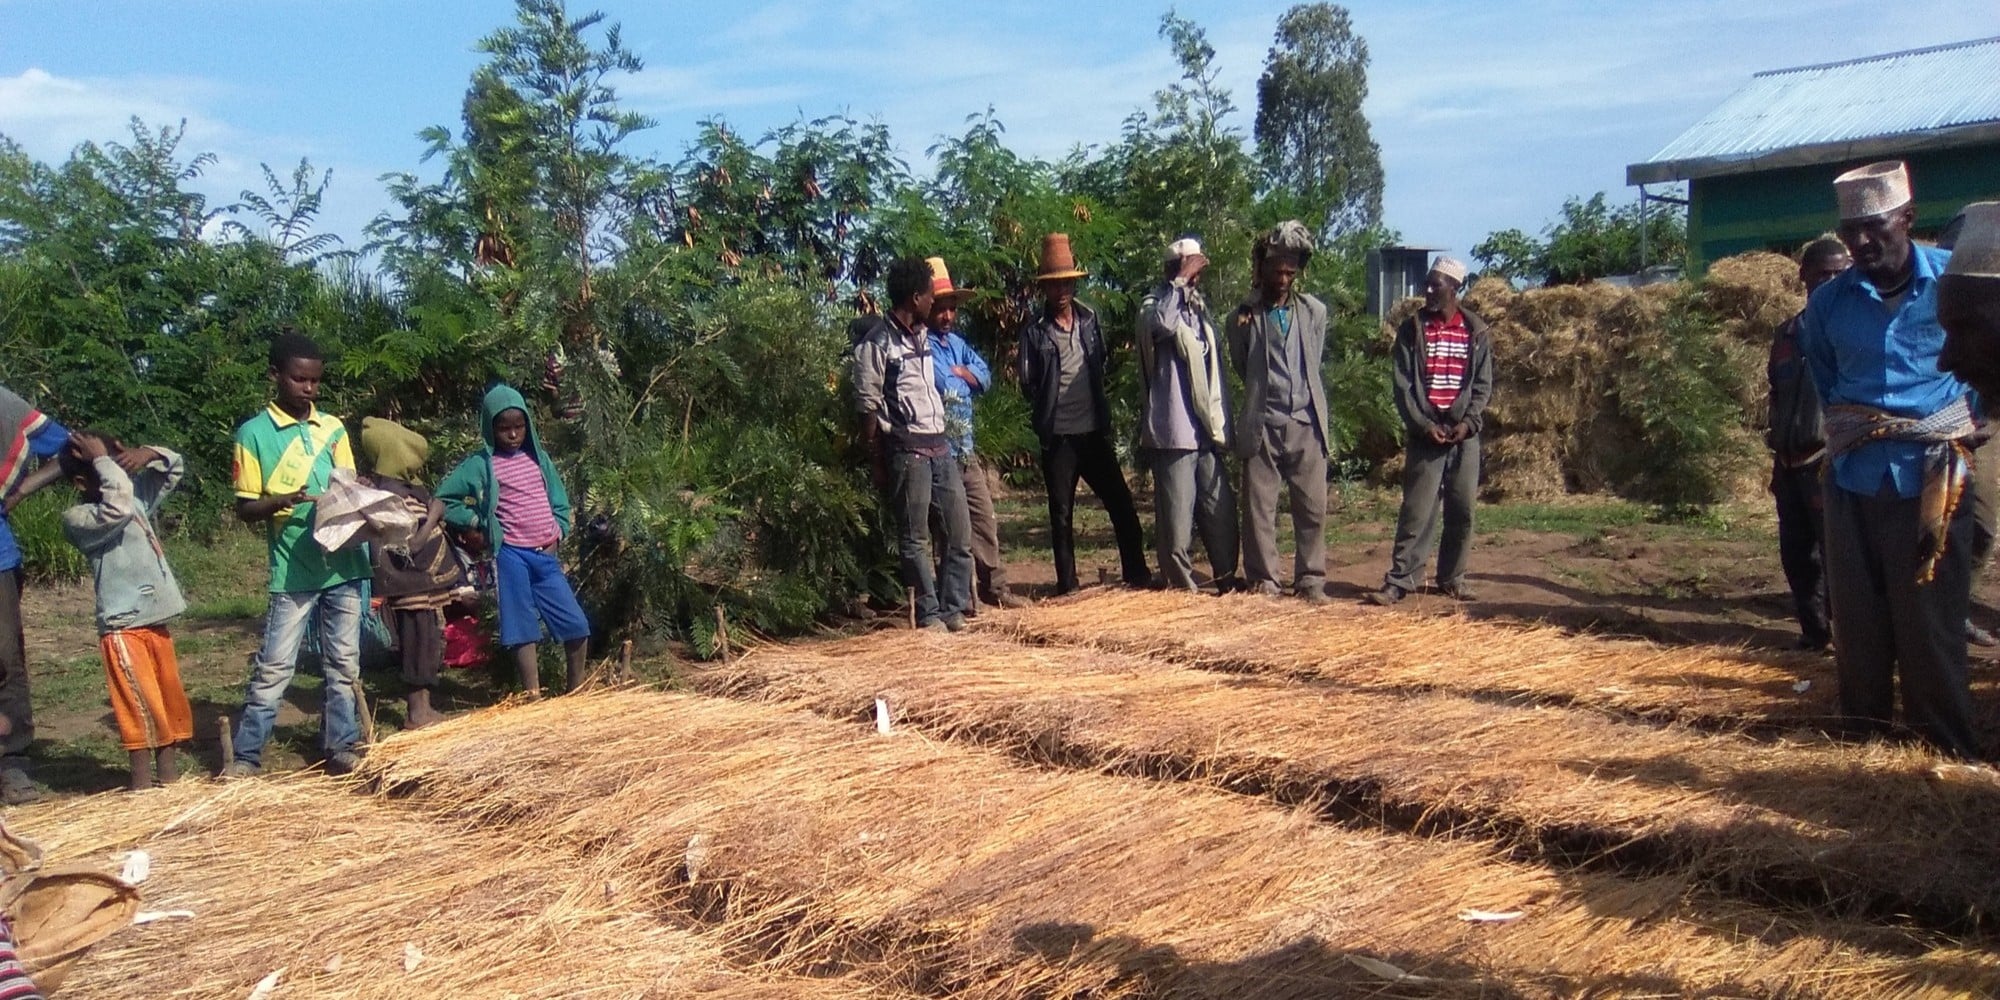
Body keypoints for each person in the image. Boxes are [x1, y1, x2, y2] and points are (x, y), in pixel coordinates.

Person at [1799, 161, 1981, 758]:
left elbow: (1986, 355)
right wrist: (1860, 432)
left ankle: (1945, 754)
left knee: (1930, 624)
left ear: (1908, 217)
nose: (1860, 243)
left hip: (1934, 478)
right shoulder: (1828, 304)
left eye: (1874, 228)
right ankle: (1865, 750)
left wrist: (1968, 418)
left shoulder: (1956, 283)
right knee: (1858, 624)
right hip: (1855, 478)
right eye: (1851, 231)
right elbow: (1828, 382)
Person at [226, 331, 373, 778]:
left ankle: (341, 745)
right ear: (275, 376)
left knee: (344, 664)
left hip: (343, 565)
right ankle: (248, 756)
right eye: (298, 379)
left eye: (314, 381)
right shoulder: (252, 434)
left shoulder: (332, 428)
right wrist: (281, 500)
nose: (308, 388)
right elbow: (245, 507)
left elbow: (346, 486)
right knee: (274, 667)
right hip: (293, 570)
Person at [57, 431, 195, 791]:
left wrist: (146, 453)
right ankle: (142, 788)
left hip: (154, 620)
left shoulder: (135, 501)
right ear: (82, 481)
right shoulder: (79, 518)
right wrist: (103, 462)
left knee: (166, 701)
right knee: (139, 705)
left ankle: (168, 781)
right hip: (123, 627)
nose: (121, 479)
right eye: (106, 471)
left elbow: (173, 468)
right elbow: (116, 507)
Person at [1017, 233, 1150, 594]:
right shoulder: (1034, 331)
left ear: (1075, 284)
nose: (1062, 291)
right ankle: (1068, 586)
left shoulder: (1090, 320)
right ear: (1046, 289)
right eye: (1055, 285)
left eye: (1067, 283)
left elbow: (1100, 361)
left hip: (1093, 432)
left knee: (1121, 504)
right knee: (1062, 515)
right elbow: (1028, 380)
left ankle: (1137, 575)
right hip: (1058, 437)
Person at [439, 384, 591, 692]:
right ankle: (532, 694)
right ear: (490, 428)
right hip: (511, 554)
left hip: (545, 552)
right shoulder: (482, 465)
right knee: (523, 627)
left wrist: (559, 529)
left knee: (576, 624)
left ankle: (577, 691)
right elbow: (444, 498)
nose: (512, 434)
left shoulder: (539, 460)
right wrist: (475, 523)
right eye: (504, 428)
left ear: (528, 426)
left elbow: (559, 502)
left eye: (518, 427)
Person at [853, 257, 975, 631]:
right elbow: (867, 403)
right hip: (907, 453)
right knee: (915, 539)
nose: (933, 304)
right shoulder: (877, 344)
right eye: (928, 295)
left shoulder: (923, 335)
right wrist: (876, 457)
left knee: (959, 533)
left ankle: (953, 609)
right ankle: (929, 614)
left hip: (940, 446)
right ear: (915, 296)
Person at [1371, 256, 1495, 606]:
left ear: (1456, 288)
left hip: (1463, 435)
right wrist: (1423, 425)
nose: (1427, 291)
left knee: (1462, 509)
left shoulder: (1476, 331)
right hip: (1426, 433)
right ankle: (1400, 580)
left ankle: (1452, 578)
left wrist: (1468, 422)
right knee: (1417, 510)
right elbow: (1403, 386)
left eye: (1435, 284)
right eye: (1427, 283)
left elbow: (1483, 385)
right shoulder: (1413, 330)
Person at [1230, 220, 1332, 604]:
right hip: (1263, 423)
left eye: (1291, 272)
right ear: (1264, 270)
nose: (1285, 279)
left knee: (1312, 508)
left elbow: (1314, 360)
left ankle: (1310, 580)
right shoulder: (1243, 316)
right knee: (1259, 510)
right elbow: (1243, 365)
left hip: (1306, 422)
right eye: (1278, 271)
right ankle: (1264, 582)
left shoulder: (1314, 312)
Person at [1762, 238, 1849, 651]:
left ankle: (1851, 640)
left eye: (1839, 273)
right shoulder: (1786, 335)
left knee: (1838, 556)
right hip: (1789, 463)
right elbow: (1775, 396)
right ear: (1804, 277)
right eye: (1822, 274)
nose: (1830, 281)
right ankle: (1815, 634)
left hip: (1828, 461)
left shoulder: (1850, 333)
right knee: (1798, 556)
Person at [924, 257, 1026, 612]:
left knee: (984, 520)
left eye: (951, 309)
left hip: (966, 449)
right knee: (952, 530)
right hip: (941, 450)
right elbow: (944, 382)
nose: (947, 317)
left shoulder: (958, 344)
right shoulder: (922, 346)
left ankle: (995, 587)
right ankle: (960, 599)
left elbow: (984, 376)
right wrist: (964, 377)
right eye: (941, 309)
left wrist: (965, 374)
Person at [1138, 236, 1239, 593]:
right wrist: (1179, 283)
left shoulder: (1198, 309)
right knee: (1176, 522)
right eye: (1193, 268)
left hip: (1204, 429)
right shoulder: (1155, 305)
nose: (1198, 277)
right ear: (1177, 270)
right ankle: (1181, 591)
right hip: (1174, 432)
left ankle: (1227, 581)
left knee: (1220, 511)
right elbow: (1162, 327)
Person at [359, 416, 466, 728]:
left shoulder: (404, 490)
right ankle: (416, 713)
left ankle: (424, 708)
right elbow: (409, 546)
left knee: (428, 641)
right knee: (418, 644)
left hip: (422, 584)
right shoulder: (389, 498)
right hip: (411, 583)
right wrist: (433, 516)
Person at [0, 386, 70, 803]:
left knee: (4, 659)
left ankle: (12, 765)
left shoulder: (4, 407)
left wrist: (24, 489)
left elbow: (72, 448)